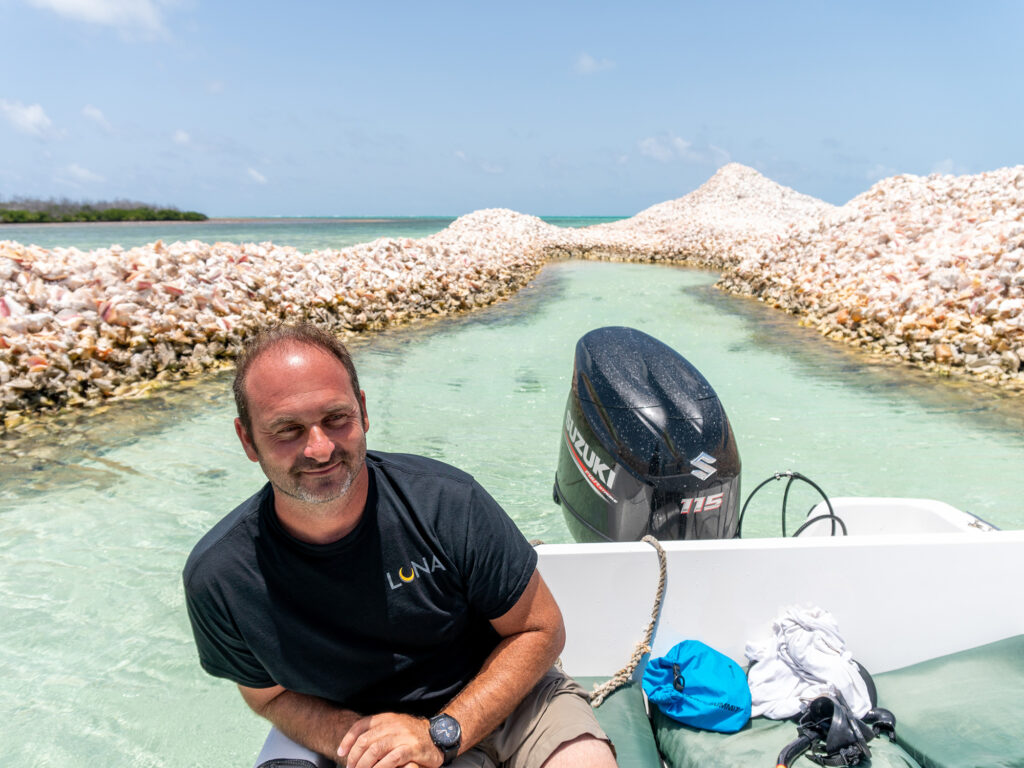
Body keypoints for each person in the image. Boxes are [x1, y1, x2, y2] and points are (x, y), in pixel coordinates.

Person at [183, 323, 617, 768]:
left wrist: (439, 733)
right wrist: (366, 744)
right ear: (247, 440)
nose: (319, 448)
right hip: (363, 726)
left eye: (336, 418)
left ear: (364, 411)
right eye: (287, 430)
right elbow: (269, 696)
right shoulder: (221, 577)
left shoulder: (448, 503)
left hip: (506, 696)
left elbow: (540, 629)